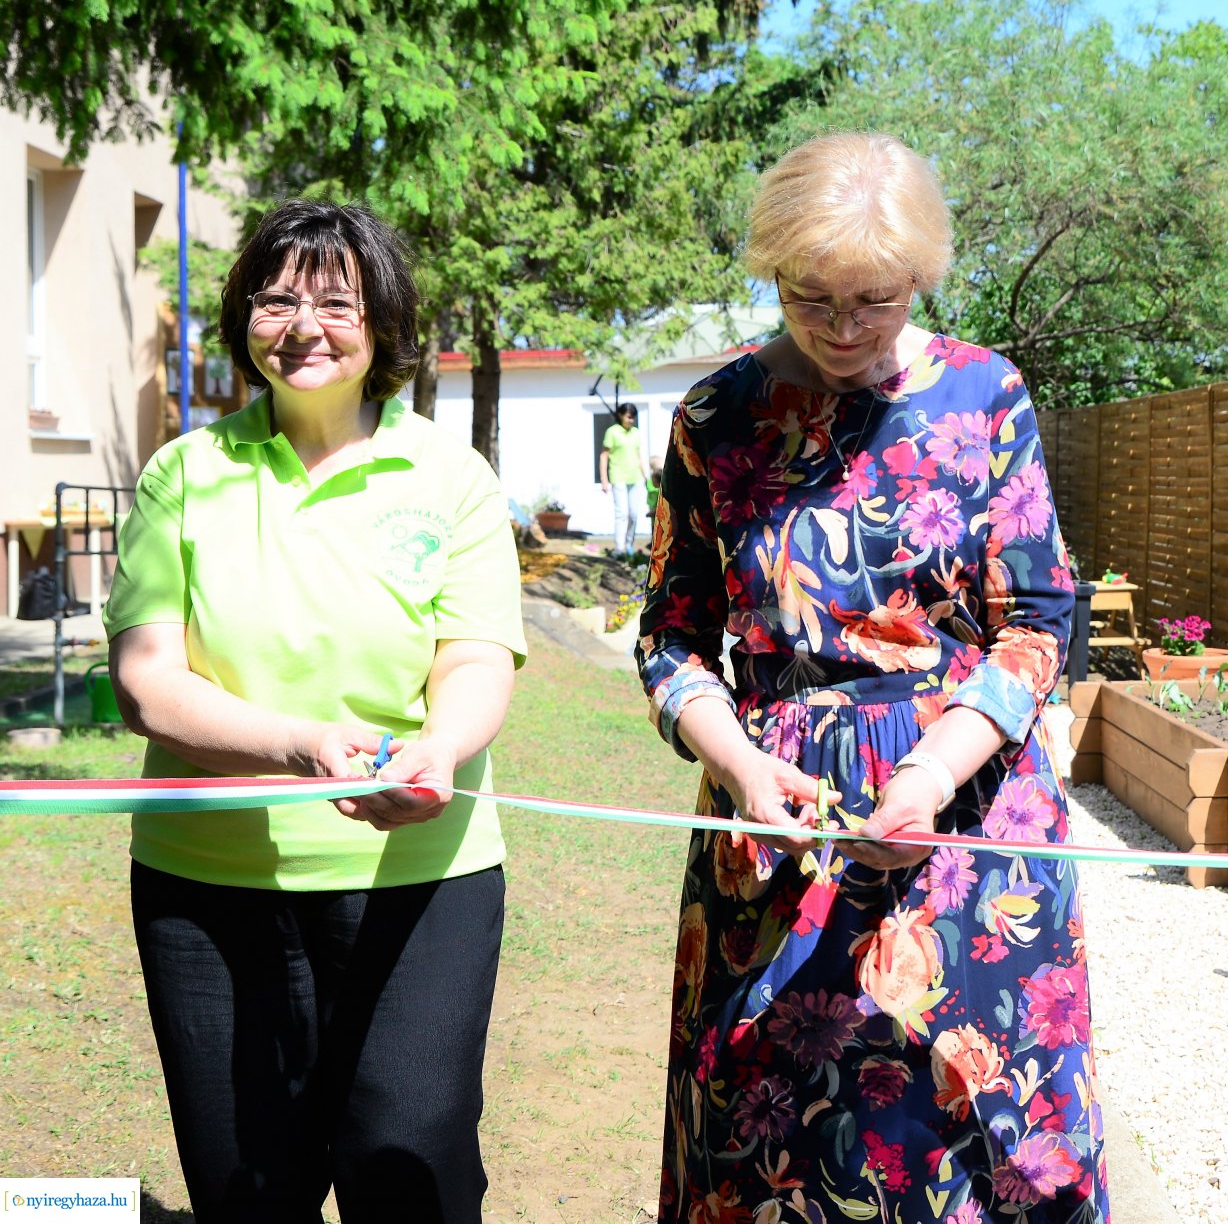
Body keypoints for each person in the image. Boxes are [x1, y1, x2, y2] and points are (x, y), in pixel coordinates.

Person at [639, 132, 1108, 1224]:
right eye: (814, 298)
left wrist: (935, 774)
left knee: (977, 1154)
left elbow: (1037, 621)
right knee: (771, 1161)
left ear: (923, 278)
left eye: (877, 300)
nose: (846, 329)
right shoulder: (715, 417)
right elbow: (669, 638)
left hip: (967, 836)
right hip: (773, 844)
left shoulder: (988, 393)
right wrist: (743, 766)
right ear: (773, 272)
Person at [106, 200, 526, 1223]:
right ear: (244, 315)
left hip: (417, 883)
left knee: (407, 1168)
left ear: (382, 321)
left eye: (337, 301)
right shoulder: (188, 474)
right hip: (209, 888)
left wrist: (439, 746)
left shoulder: (450, 475)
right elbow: (146, 680)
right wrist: (297, 743)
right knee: (250, 1187)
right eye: (277, 297)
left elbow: (474, 657)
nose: (304, 324)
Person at [600, 401, 651, 556]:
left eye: (633, 417)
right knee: (622, 513)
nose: (631, 420)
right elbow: (604, 456)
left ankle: (629, 545)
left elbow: (639, 456)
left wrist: (646, 476)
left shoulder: (636, 432)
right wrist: (604, 479)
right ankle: (619, 548)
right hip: (618, 477)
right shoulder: (612, 432)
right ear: (621, 415)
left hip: (635, 478)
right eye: (629, 417)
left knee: (633, 514)